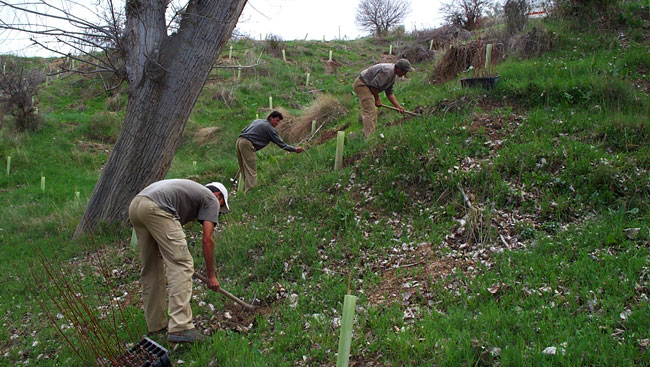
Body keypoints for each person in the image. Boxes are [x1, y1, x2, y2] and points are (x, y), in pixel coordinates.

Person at [128, 179, 230, 343]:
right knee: (182, 264)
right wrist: (211, 276)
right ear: (218, 196)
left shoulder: (188, 195)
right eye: (219, 209)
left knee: (152, 268)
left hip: (137, 205)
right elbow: (207, 240)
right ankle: (181, 326)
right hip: (156, 207)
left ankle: (156, 325)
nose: (216, 214)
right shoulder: (211, 199)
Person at [236, 111, 304, 193]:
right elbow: (282, 144)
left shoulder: (258, 121)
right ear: (271, 118)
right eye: (277, 120)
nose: (277, 123)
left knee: (244, 167)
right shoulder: (269, 128)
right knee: (251, 169)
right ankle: (251, 191)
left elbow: (244, 130)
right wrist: (295, 150)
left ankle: (245, 190)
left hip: (239, 141)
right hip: (247, 144)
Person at [353, 58, 415, 137]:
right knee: (370, 111)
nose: (405, 74)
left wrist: (398, 107)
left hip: (367, 85)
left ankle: (369, 133)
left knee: (372, 111)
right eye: (405, 71)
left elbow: (389, 93)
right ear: (399, 69)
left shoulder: (392, 74)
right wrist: (377, 99)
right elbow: (374, 86)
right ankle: (369, 137)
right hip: (362, 84)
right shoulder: (388, 71)